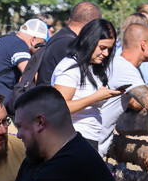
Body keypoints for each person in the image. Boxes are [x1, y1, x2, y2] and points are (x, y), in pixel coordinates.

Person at [98, 22, 148, 157]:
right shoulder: (125, 69)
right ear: (143, 44)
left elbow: (130, 100)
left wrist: (139, 104)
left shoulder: (117, 64)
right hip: (92, 144)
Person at [50, 18, 123, 150]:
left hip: (88, 138)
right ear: (90, 41)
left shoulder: (92, 67)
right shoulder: (71, 67)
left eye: (109, 49)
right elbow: (59, 108)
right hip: (73, 138)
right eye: (102, 48)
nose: (106, 54)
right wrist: (95, 97)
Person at [0, 18, 50, 99]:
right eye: (41, 44)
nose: (41, 48)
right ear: (33, 39)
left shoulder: (6, 39)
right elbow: (30, 73)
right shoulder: (19, 45)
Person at [35, 2, 102, 86]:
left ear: (70, 18)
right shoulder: (71, 45)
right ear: (93, 24)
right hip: (54, 96)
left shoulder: (60, 37)